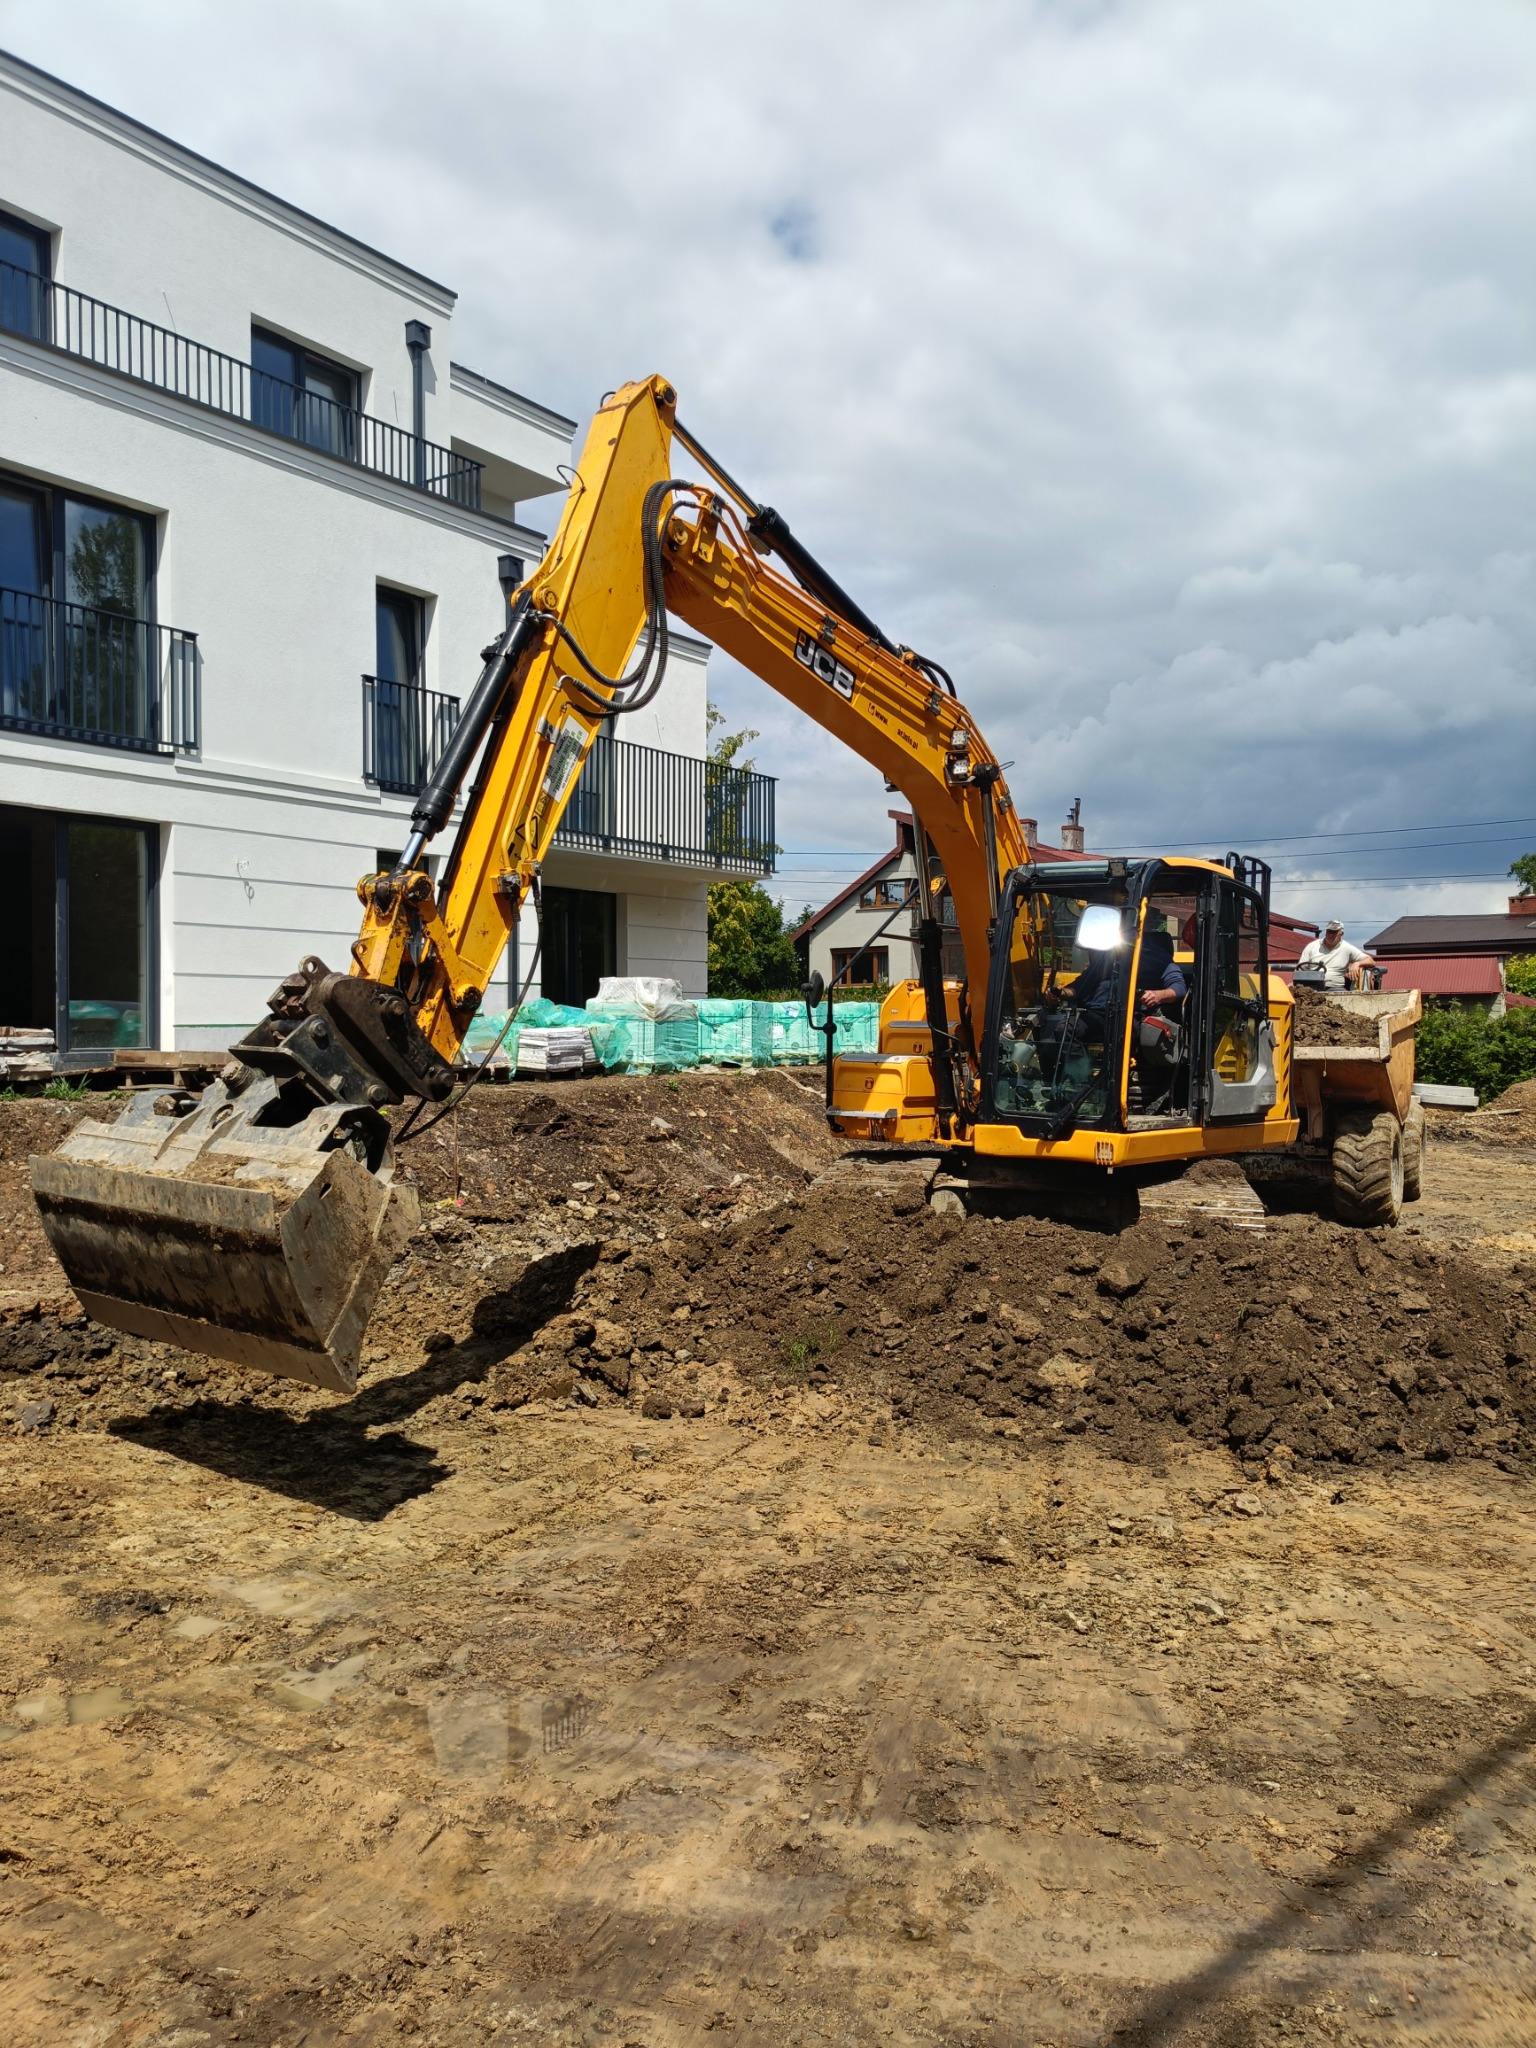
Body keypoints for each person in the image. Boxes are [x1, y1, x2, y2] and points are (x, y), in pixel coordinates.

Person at [1297, 918, 1376, 990]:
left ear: (1341, 934)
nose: (1331, 935)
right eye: (1329, 931)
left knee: (1342, 996)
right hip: (1311, 986)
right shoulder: (1312, 946)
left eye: (1334, 932)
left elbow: (1371, 961)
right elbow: (1300, 970)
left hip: (1334, 987)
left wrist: (1357, 963)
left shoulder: (1347, 948)